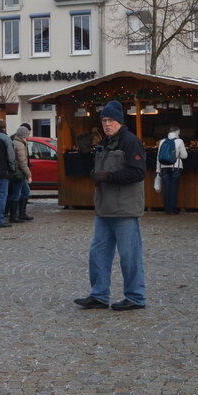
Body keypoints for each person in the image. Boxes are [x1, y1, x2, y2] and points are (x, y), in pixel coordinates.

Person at [74, 101, 147, 311]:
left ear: (120, 121)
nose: (107, 124)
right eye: (104, 120)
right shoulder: (104, 143)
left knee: (129, 255)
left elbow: (138, 173)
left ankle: (135, 297)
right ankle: (99, 295)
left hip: (125, 209)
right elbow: (98, 170)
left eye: (111, 120)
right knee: (97, 253)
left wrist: (108, 176)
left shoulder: (131, 142)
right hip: (104, 208)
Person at [156, 125, 188, 214]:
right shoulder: (179, 141)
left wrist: (158, 170)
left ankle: (167, 209)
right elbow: (184, 156)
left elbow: (158, 157)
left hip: (164, 167)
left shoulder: (162, 141)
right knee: (174, 188)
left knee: (166, 188)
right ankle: (173, 209)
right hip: (175, 167)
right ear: (177, 132)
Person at [8, 124, 34, 223]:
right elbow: (22, 161)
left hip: (19, 172)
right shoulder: (19, 144)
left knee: (25, 192)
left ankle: (21, 214)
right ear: (24, 134)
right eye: (28, 133)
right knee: (17, 194)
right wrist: (29, 175)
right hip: (18, 173)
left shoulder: (17, 142)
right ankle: (14, 216)